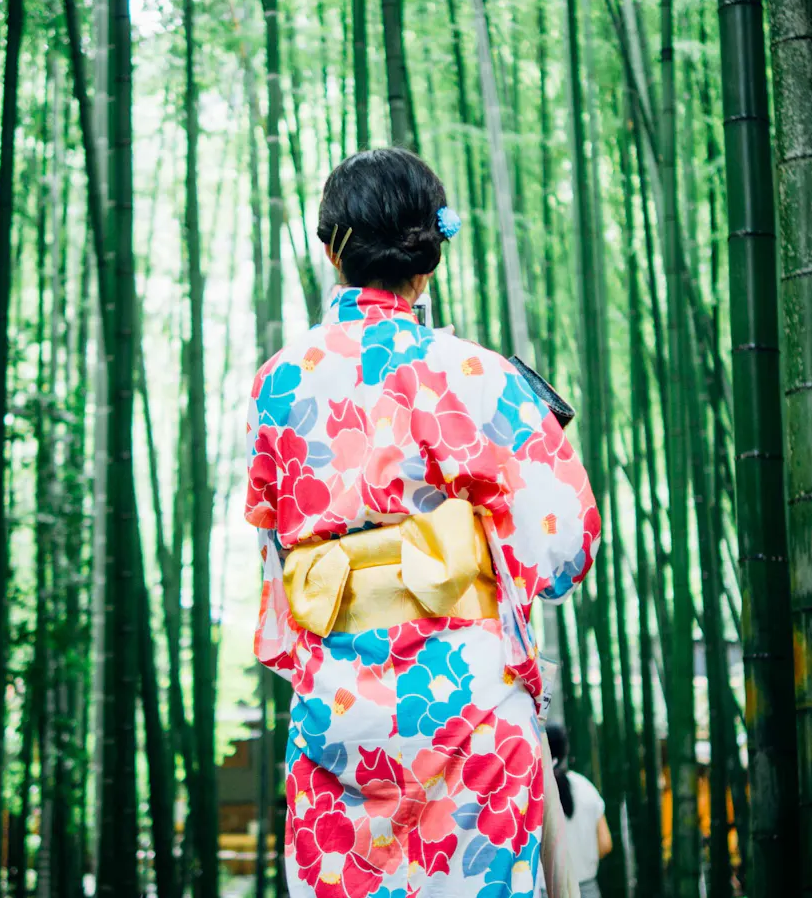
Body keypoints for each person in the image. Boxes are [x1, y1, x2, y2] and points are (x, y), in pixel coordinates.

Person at [245, 148, 602, 897]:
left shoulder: (275, 384)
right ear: (429, 257)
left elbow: (275, 548)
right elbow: (566, 543)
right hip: (468, 705)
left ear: (329, 248)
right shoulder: (471, 372)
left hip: (335, 714)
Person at [544, 725, 612, 898]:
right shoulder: (586, 788)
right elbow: (605, 843)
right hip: (587, 890)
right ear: (565, 750)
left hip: (547, 891)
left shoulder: (532, 793)